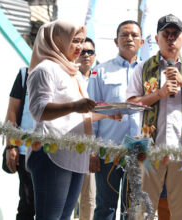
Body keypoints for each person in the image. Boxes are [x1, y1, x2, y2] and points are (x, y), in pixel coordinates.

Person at [126, 14, 182, 219]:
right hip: (150, 151)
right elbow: (130, 105)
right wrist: (159, 94)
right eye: (166, 34)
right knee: (143, 212)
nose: (171, 39)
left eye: (175, 34)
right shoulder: (142, 68)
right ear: (156, 39)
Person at [26, 20, 98, 220]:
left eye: (82, 42)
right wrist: (75, 105)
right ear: (57, 40)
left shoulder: (72, 72)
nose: (80, 47)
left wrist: (109, 113)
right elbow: (38, 110)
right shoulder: (45, 69)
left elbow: (80, 113)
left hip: (73, 154)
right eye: (75, 41)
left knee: (64, 217)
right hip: (52, 154)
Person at [87, 20, 144, 220]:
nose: (129, 39)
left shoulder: (148, 72)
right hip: (107, 152)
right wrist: (93, 151)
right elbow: (91, 112)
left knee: (133, 209)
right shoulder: (100, 71)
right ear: (115, 40)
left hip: (139, 153)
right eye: (124, 35)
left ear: (142, 41)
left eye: (134, 35)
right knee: (105, 208)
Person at [4, 66, 35, 220]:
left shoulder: (66, 72)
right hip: (25, 152)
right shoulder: (25, 74)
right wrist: (11, 145)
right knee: (27, 205)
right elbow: (12, 111)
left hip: (54, 152)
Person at [76, 37, 97, 220]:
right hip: (69, 142)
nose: (86, 55)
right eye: (82, 51)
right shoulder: (69, 77)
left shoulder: (100, 78)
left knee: (89, 198)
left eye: (90, 52)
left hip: (93, 146)